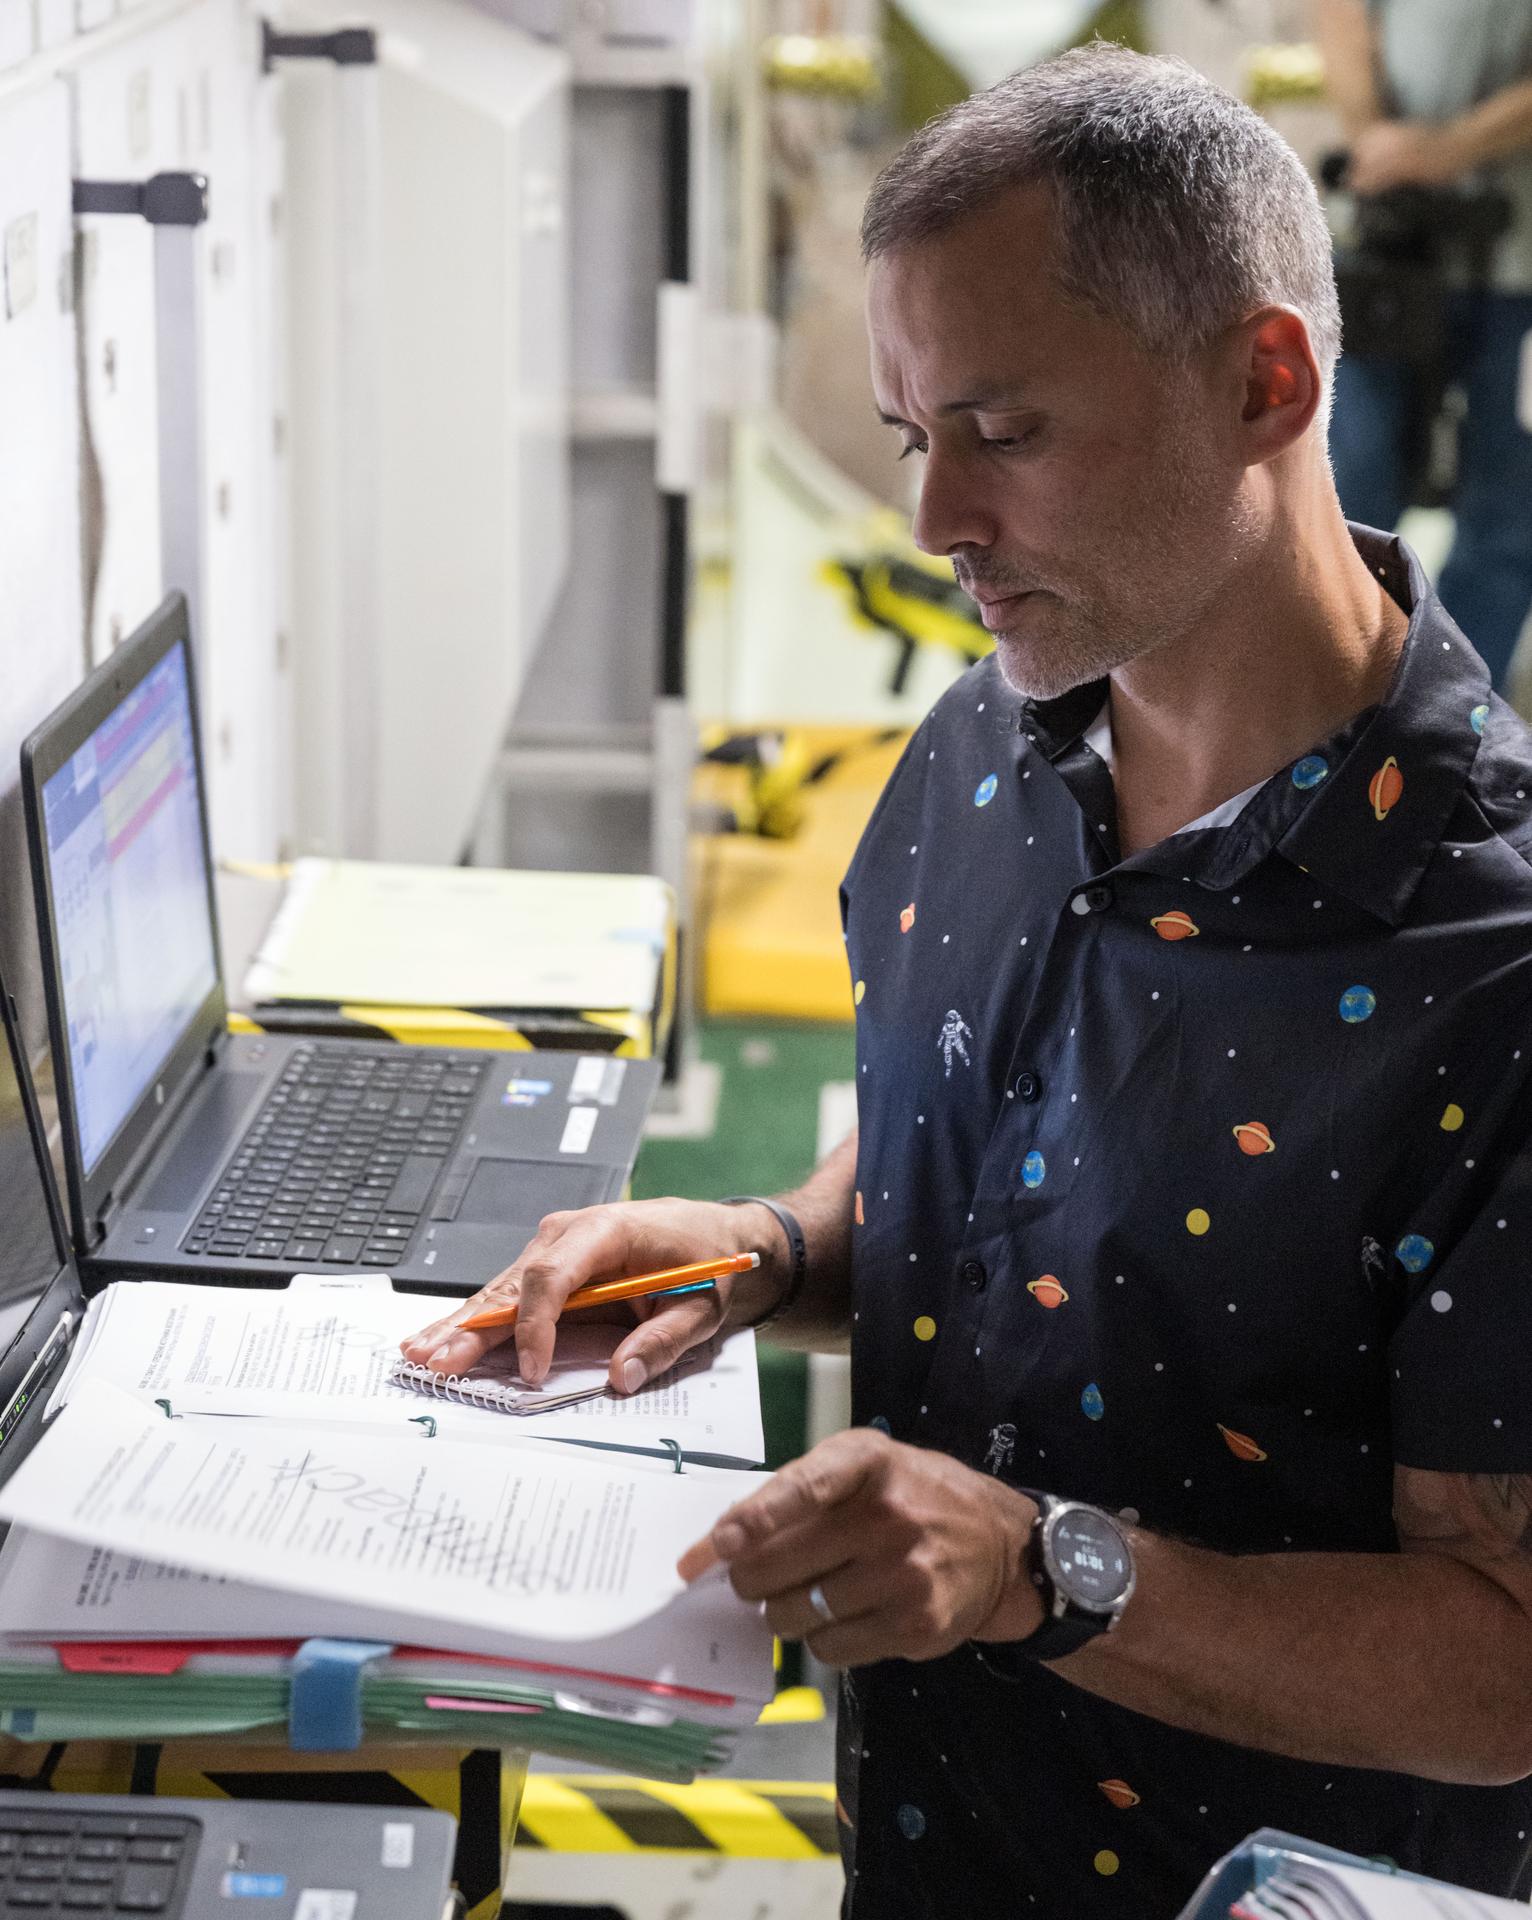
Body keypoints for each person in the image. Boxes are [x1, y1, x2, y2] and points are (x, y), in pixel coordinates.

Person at [402, 43, 1532, 1918]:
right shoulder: (982, 755)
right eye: (911, 434)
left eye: (1000, 434)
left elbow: (1506, 1660)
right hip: (925, 1846)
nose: (934, 521)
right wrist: (758, 1249)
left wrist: (1041, 1569)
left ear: (1266, 380)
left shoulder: (1488, 976)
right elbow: (1009, 1148)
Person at [1315, 0, 1532, 691]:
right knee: (1348, 494)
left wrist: (1448, 150)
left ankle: (1452, 727)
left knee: (1508, 515)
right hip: (1386, 242)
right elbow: (1338, 14)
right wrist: (1380, 143)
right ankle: (1335, 710)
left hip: (1523, 267)